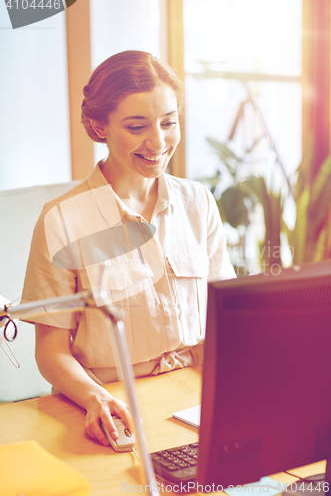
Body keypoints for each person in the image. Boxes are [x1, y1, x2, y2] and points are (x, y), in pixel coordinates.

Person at [21, 50, 236, 447]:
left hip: (193, 398)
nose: (158, 141)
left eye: (169, 123)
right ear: (98, 126)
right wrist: (95, 398)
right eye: (137, 127)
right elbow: (50, 352)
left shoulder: (198, 202)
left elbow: (227, 318)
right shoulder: (62, 220)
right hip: (110, 403)